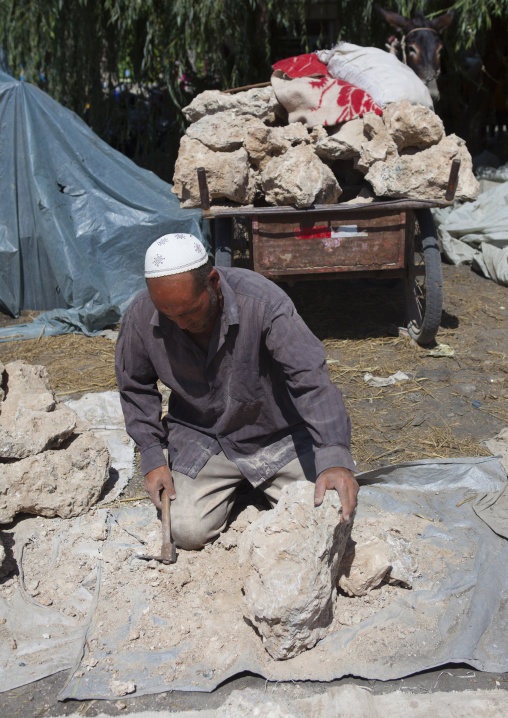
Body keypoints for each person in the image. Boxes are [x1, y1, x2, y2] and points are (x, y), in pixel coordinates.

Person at [115, 233, 359, 550]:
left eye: (188, 311)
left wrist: (334, 458)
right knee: (187, 532)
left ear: (213, 281)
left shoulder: (263, 302)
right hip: (203, 437)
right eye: (168, 315)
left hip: (277, 435)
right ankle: (241, 488)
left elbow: (310, 380)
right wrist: (152, 455)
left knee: (327, 513)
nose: (180, 324)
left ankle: (253, 487)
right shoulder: (140, 314)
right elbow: (134, 385)